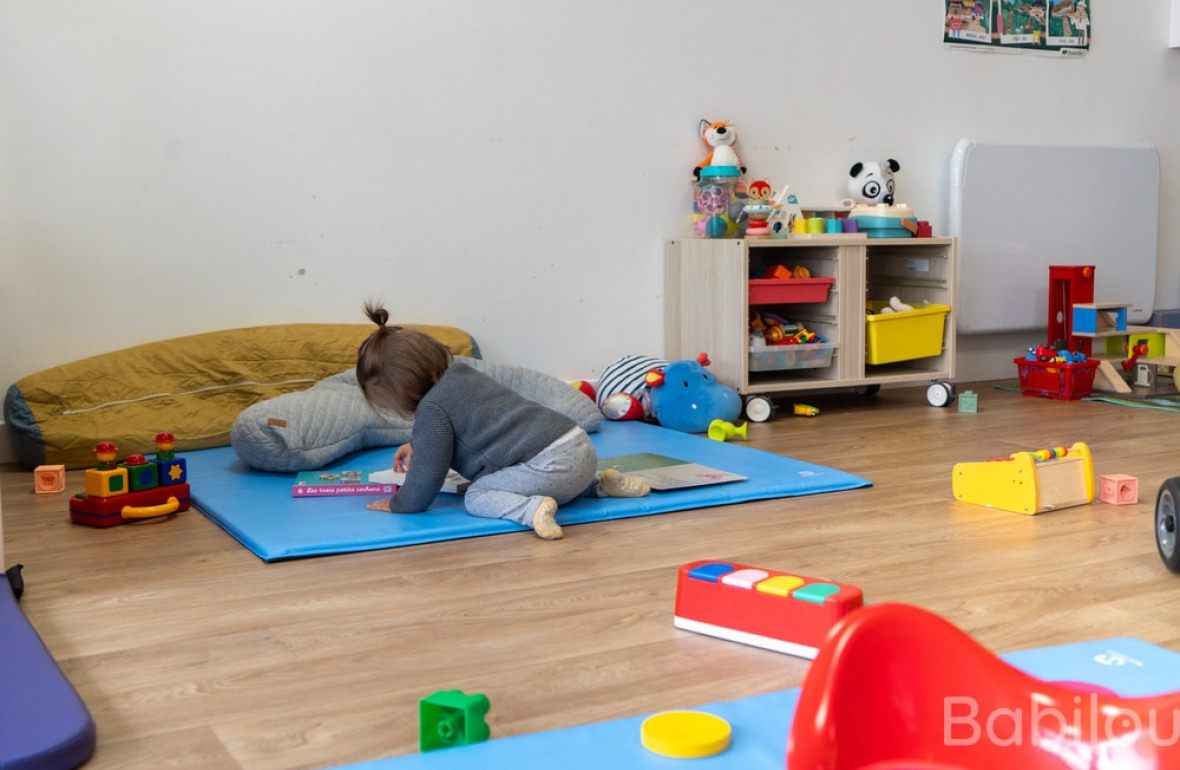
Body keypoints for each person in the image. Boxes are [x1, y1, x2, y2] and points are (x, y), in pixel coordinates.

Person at [356, 303, 650, 539]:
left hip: (549, 465)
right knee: (543, 473)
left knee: (477, 495)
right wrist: (417, 443)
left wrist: (402, 503)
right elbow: (470, 425)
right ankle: (602, 484)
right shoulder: (463, 375)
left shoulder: (432, 410)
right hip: (578, 448)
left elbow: (428, 475)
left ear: (397, 391)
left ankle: (532, 509)